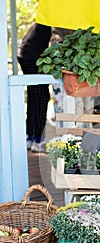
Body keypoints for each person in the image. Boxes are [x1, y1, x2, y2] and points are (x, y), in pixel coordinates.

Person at [17, 23, 52, 152]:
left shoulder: (44, 17)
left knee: (34, 95)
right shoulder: (54, 19)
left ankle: (30, 137)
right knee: (42, 96)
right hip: (33, 56)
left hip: (25, 53)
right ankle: (38, 140)